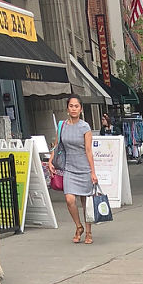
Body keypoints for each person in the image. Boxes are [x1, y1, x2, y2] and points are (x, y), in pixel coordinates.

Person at [48, 94, 98, 244]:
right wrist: (50, 160)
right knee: (69, 199)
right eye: (71, 106)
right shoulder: (62, 126)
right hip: (69, 168)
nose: (74, 109)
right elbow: (57, 145)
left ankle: (88, 232)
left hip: (84, 168)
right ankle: (78, 226)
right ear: (67, 109)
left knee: (85, 202)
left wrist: (93, 172)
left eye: (76, 106)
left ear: (81, 109)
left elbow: (88, 150)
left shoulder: (85, 127)